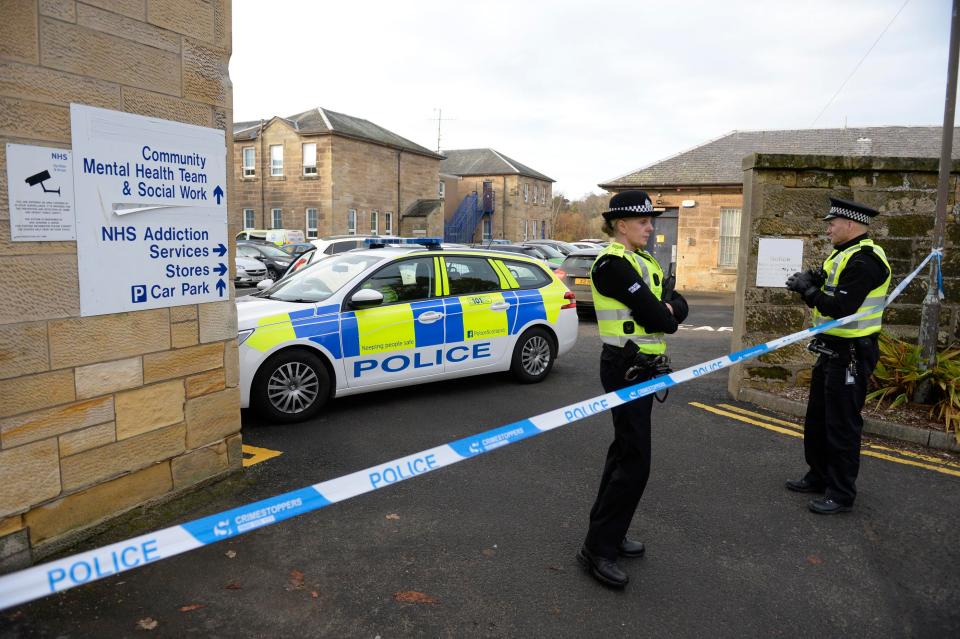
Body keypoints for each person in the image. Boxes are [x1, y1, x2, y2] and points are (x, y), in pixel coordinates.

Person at [577, 190, 688, 588]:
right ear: (620, 224)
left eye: (650, 220)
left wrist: (668, 308)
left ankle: (610, 533)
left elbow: (676, 305)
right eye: (643, 221)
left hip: (643, 366)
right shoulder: (613, 264)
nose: (650, 226)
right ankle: (598, 549)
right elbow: (665, 315)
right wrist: (667, 310)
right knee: (634, 460)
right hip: (626, 366)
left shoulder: (641, 261)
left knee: (625, 454)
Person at [785, 197, 890, 514]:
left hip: (852, 354)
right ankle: (818, 475)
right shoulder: (841, 255)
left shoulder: (865, 261)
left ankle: (841, 492)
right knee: (818, 418)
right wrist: (813, 287)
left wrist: (808, 290)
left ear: (851, 224)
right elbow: (825, 307)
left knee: (842, 424)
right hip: (831, 349)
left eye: (832, 223)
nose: (828, 228)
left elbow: (841, 308)